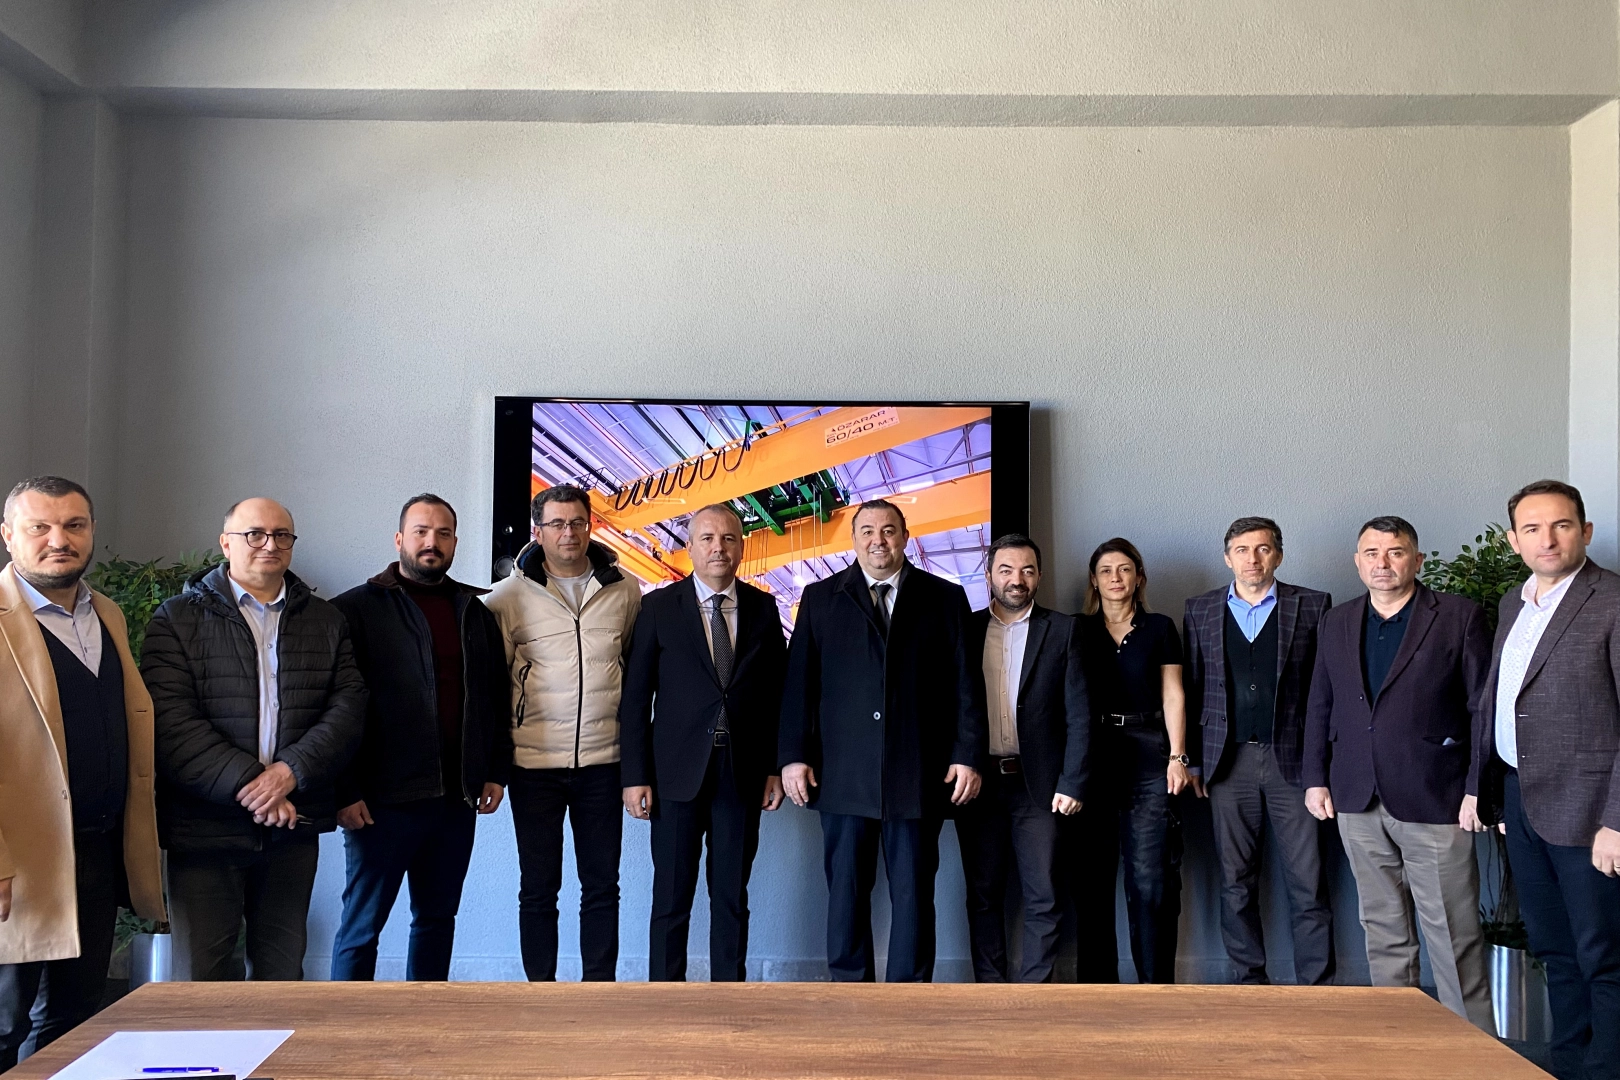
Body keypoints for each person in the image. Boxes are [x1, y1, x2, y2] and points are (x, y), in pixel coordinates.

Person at [142, 497, 366, 980]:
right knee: (200, 978)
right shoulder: (175, 619)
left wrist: (289, 774)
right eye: (255, 534)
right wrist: (254, 785)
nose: (270, 544)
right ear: (225, 544)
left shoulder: (325, 620)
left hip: (292, 827)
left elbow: (348, 708)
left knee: (282, 975)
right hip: (206, 827)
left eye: (282, 535)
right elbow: (171, 722)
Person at [779, 498, 986, 983]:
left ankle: (909, 997)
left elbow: (965, 686)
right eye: (868, 531)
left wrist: (967, 755)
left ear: (905, 537)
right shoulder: (820, 598)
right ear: (853, 540)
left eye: (889, 530)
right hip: (842, 775)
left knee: (914, 895)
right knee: (846, 892)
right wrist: (793, 756)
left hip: (918, 774)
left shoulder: (944, 598)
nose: (879, 540)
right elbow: (799, 686)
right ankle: (849, 993)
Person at [0, 477, 164, 1069]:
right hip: (18, 864)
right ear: (8, 536)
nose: (59, 540)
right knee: (4, 1023)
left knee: (74, 1020)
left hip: (96, 850)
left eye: (74, 525)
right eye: (39, 527)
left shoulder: (106, 613)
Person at [1303, 515, 1492, 1028]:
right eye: (1372, 553)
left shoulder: (1459, 617)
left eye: (1395, 552)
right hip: (1356, 795)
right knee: (1382, 928)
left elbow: (1482, 708)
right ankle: (1398, 1040)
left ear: (1417, 559)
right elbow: (1321, 702)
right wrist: (1315, 777)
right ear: (1357, 561)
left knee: (1453, 934)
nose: (1382, 563)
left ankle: (1472, 1051)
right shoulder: (1337, 621)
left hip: (1436, 795)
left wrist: (1479, 788)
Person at [1465, 480, 1620, 1079]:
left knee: (1603, 954)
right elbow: (1497, 701)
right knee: (1555, 948)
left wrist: (1616, 822)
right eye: (1532, 528)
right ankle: (1569, 1064)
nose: (1547, 539)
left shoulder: (1611, 600)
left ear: (1585, 531)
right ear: (1514, 540)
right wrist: (1489, 789)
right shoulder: (1514, 602)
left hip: (1592, 814)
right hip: (1523, 802)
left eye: (1561, 525)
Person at [328, 494, 513, 981]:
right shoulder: (352, 611)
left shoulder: (474, 611)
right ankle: (344, 1023)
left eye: (443, 533)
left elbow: (494, 697)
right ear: (399, 539)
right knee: (361, 928)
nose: (432, 542)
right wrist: (344, 790)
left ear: (455, 542)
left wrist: (495, 771)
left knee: (436, 921)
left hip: (455, 801)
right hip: (380, 803)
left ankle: (425, 1018)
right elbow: (333, 713)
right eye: (421, 532)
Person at [619, 504, 789, 981]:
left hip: (742, 775)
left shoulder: (763, 608)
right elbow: (635, 699)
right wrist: (634, 776)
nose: (719, 548)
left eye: (729, 538)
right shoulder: (657, 608)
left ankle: (727, 998)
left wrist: (774, 767)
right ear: (690, 547)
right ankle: (664, 998)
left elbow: (778, 696)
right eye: (708, 539)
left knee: (731, 898)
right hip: (673, 777)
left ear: (741, 547)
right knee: (670, 899)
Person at [485, 484, 641, 982]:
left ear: (589, 526)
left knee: (602, 887)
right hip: (533, 767)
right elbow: (492, 687)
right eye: (556, 524)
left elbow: (635, 676)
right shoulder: (507, 597)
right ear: (538, 532)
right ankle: (541, 994)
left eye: (576, 522)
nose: (568, 533)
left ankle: (599, 989)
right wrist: (494, 766)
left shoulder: (625, 590)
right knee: (538, 888)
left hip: (603, 763)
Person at [1182, 516, 1334, 985]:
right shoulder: (1200, 609)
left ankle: (1317, 989)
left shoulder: (1313, 605)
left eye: (1264, 549)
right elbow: (1193, 688)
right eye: (1243, 550)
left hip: (1295, 764)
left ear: (1279, 555)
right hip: (1227, 764)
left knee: (1308, 882)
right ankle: (1248, 984)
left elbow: (1324, 691)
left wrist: (1321, 768)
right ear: (1227, 558)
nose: (1253, 558)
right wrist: (1193, 760)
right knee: (1235, 883)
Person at [955, 534, 1089, 983]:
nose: (1018, 579)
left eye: (1028, 570)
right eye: (1007, 570)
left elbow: (1079, 714)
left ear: (1039, 576)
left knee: (1044, 895)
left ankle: (1036, 995)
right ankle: (990, 989)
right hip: (979, 783)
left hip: (1042, 787)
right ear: (989, 576)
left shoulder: (1063, 630)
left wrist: (1072, 781)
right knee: (983, 895)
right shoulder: (965, 629)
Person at [1075, 538, 1197, 985]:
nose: (1116, 578)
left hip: (1149, 756)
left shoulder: (1159, 627)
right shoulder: (1076, 630)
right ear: (1094, 580)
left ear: (1139, 577)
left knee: (1150, 881)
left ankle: (1155, 989)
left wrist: (1178, 756)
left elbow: (1173, 695)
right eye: (1106, 570)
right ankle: (1097, 991)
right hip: (1091, 759)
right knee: (1092, 881)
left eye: (1125, 569)